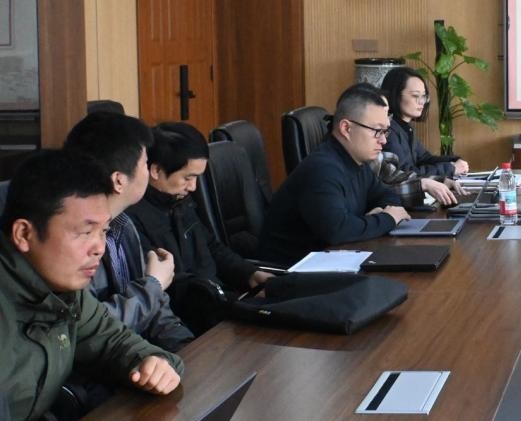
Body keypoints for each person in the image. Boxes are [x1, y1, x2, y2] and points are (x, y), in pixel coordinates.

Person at [1, 150, 183, 421]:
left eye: (104, 231)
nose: (99, 247)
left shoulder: (64, 293)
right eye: (85, 232)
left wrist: (152, 364)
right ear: (24, 234)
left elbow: (115, 341)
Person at [63, 112, 193, 352]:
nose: (149, 171)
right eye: (145, 163)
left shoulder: (124, 225)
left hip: (142, 358)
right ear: (119, 181)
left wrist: (189, 350)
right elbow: (92, 329)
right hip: (108, 367)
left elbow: (158, 313)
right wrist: (153, 285)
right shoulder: (73, 242)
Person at [128, 122, 274, 335]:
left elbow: (212, 246)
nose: (194, 187)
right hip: (189, 321)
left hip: (219, 305)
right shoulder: (131, 219)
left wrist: (248, 273)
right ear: (156, 170)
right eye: (188, 178)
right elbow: (175, 287)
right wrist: (228, 302)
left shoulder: (180, 200)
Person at [259, 83, 411, 264]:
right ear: (346, 128)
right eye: (377, 131)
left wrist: (372, 217)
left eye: (385, 131)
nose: (384, 140)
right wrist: (387, 218)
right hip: (294, 270)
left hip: (333, 261)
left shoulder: (357, 160)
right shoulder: (322, 169)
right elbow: (337, 230)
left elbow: (388, 197)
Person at [380, 66, 469, 206]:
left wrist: (454, 160)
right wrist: (451, 168)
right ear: (395, 95)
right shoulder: (388, 132)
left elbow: (424, 158)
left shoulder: (405, 127)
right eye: (415, 96)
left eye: (424, 96)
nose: (421, 102)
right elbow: (407, 173)